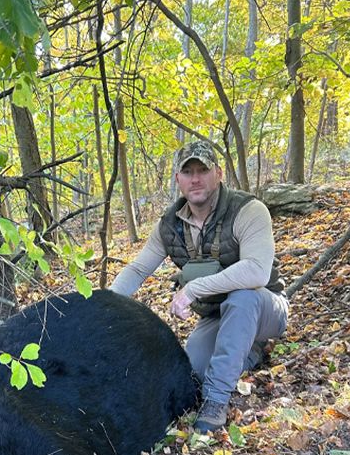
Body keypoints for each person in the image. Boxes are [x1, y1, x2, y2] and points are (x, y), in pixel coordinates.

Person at [110, 140, 288, 432]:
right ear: (178, 179)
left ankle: (217, 402)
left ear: (218, 173)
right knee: (193, 370)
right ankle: (251, 351)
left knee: (243, 298)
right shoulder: (169, 225)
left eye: (203, 170)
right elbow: (139, 268)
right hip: (217, 315)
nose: (195, 179)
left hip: (265, 307)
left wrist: (192, 289)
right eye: (188, 172)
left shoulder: (248, 210)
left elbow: (257, 272)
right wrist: (106, 302)